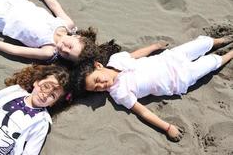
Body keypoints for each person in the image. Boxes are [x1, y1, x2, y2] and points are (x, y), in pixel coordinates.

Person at [72, 35, 233, 141]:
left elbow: (136, 55)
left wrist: (155, 46)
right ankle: (229, 55)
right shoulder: (119, 93)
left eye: (98, 80)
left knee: (199, 44)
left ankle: (219, 41)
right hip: (179, 79)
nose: (101, 86)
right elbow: (143, 111)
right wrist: (167, 127)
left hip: (170, 58)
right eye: (96, 89)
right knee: (210, 63)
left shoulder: (116, 59)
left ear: (99, 66)